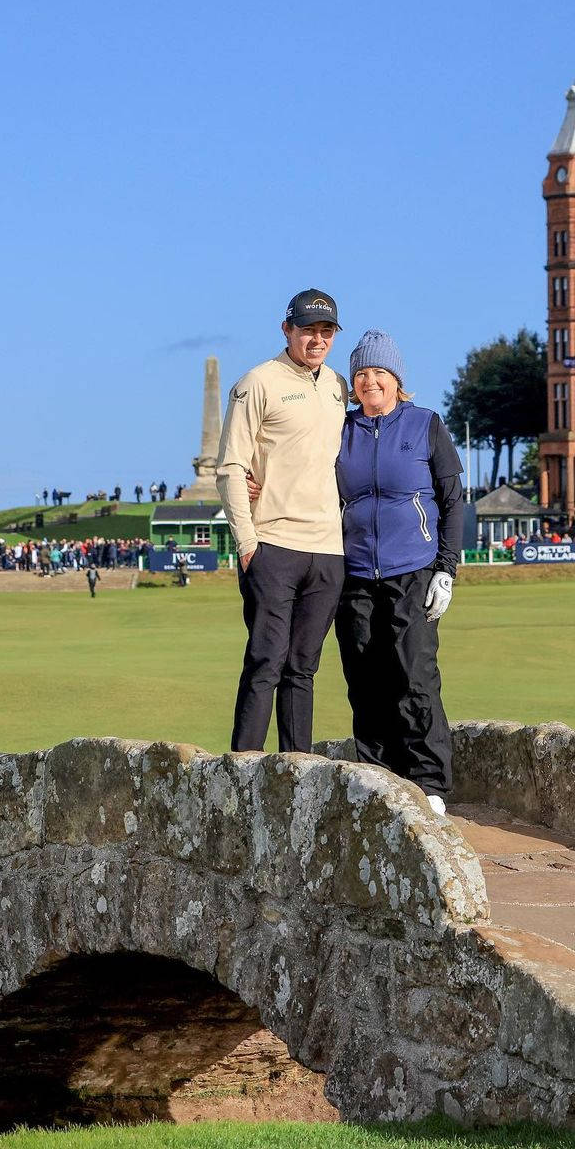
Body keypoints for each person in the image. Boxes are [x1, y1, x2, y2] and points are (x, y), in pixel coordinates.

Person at [334, 331, 463, 814]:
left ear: (397, 380)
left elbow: (451, 503)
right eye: (361, 374)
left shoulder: (425, 425)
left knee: (414, 674)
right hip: (355, 572)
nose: (370, 381)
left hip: (415, 569)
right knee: (364, 676)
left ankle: (429, 782)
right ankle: (378, 777)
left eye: (378, 373)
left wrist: (446, 570)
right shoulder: (341, 430)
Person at [216, 288, 347, 753]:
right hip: (272, 543)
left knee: (303, 668)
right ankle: (243, 773)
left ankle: (298, 774)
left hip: (328, 550)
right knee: (266, 661)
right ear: (286, 329)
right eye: (307, 329)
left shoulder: (337, 386)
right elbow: (231, 466)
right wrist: (247, 542)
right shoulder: (258, 382)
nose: (317, 339)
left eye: (326, 330)